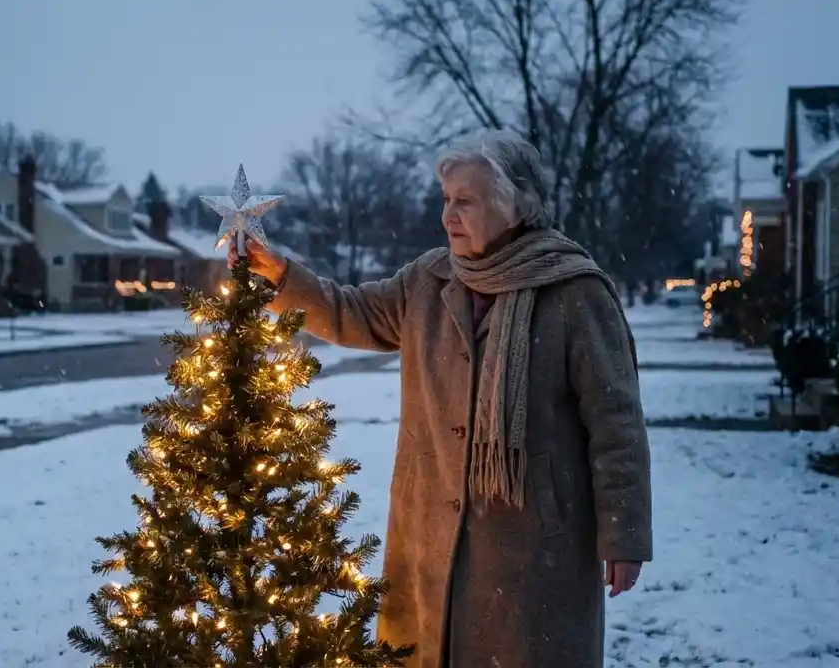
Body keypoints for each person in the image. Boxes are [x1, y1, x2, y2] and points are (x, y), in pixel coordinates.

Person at [230, 130, 652, 668]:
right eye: (446, 200)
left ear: (514, 204)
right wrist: (281, 277)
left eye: (466, 201)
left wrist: (625, 535)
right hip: (429, 532)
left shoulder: (573, 293)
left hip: (532, 546)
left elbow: (616, 424)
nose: (449, 215)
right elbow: (349, 311)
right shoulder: (428, 280)